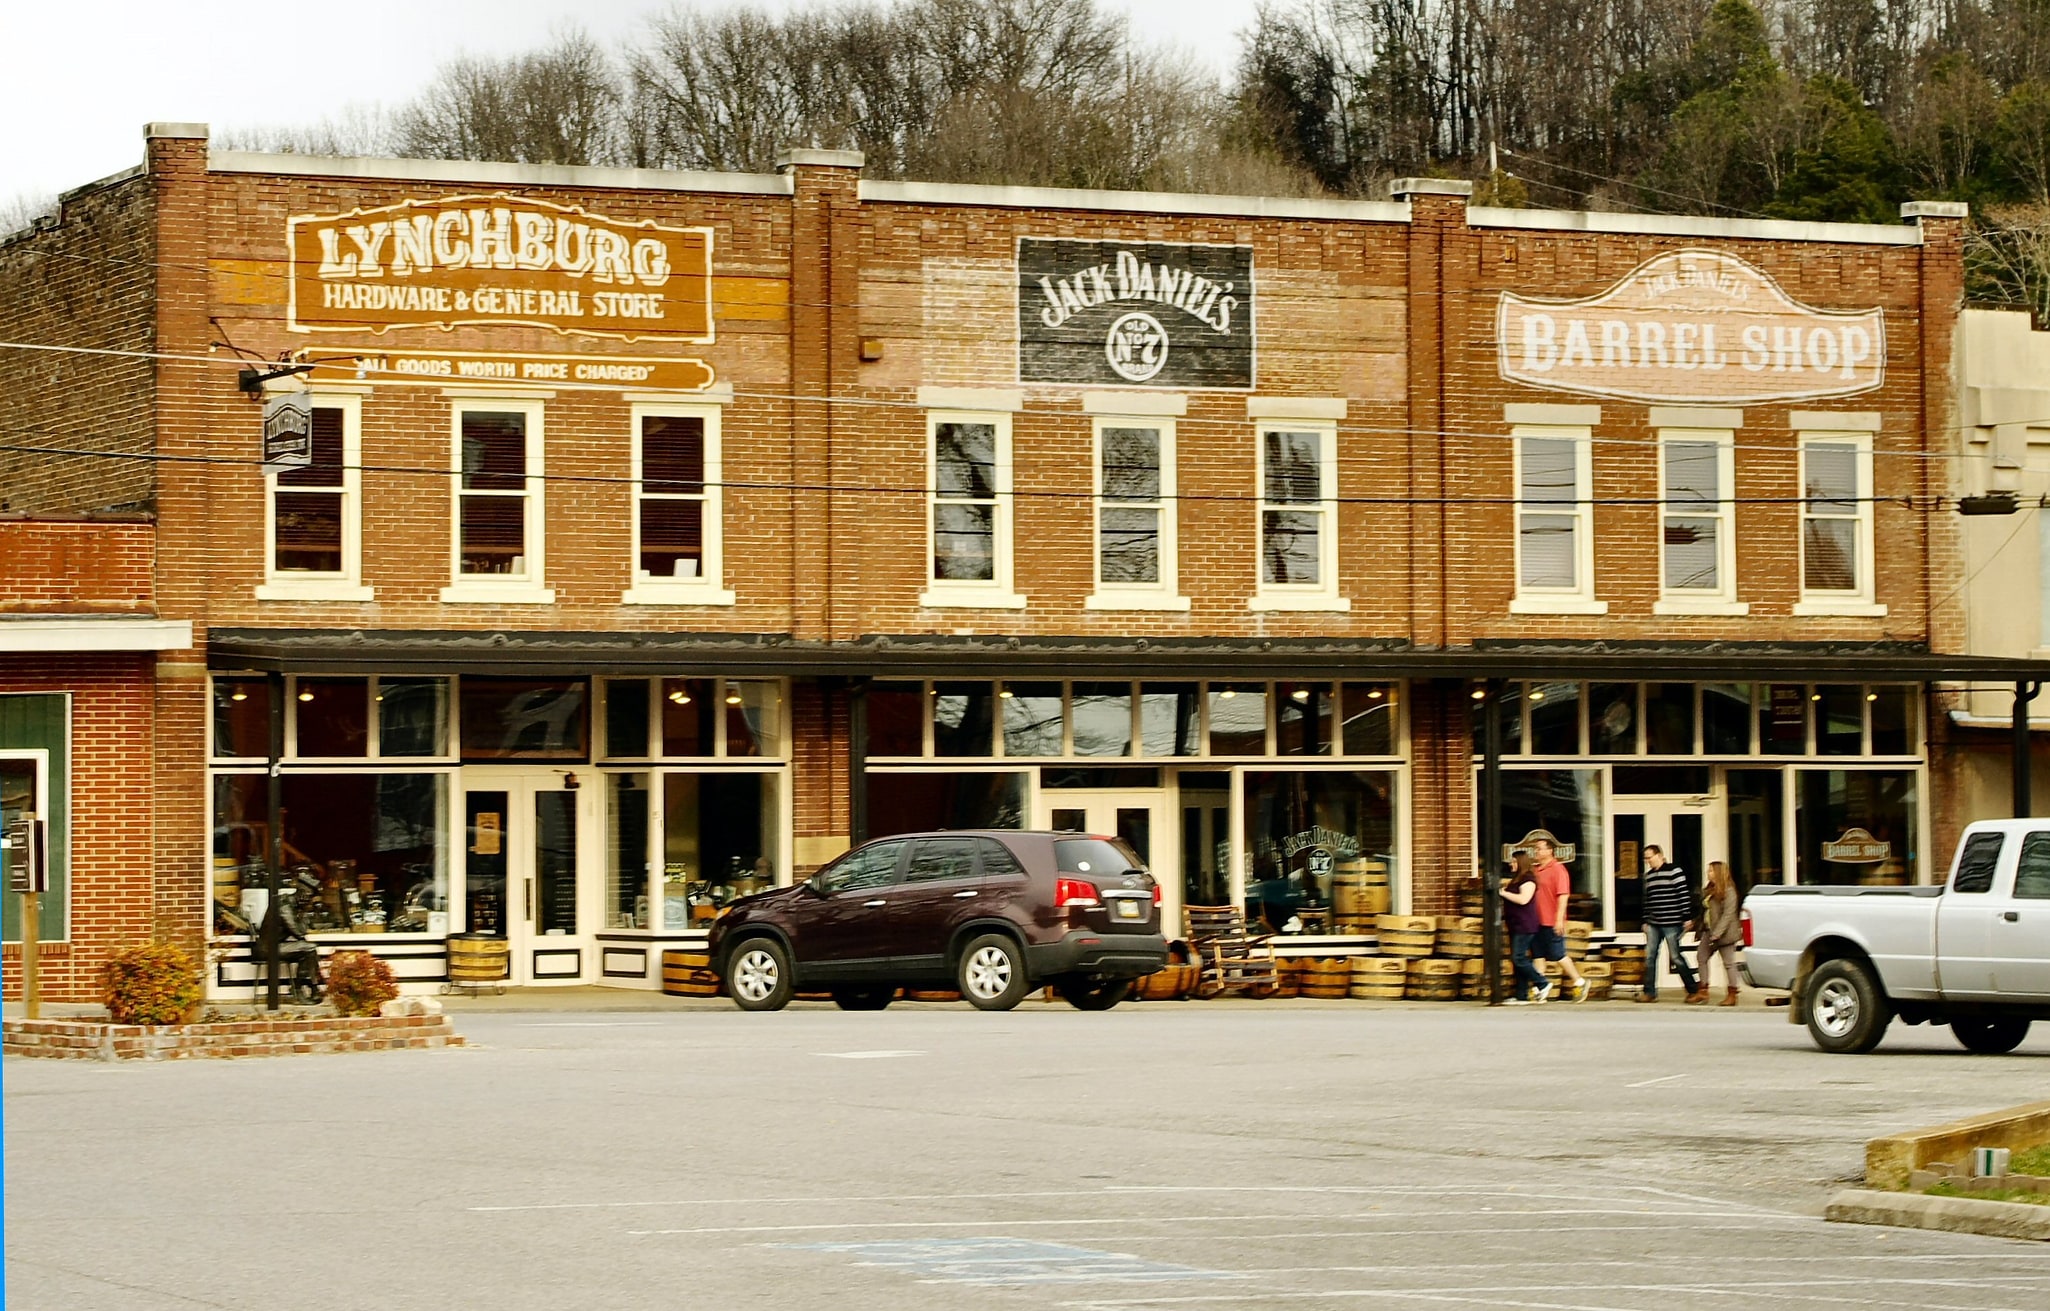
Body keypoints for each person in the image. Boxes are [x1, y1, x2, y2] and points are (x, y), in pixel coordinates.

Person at [1637, 844, 1700, 1004]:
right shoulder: (1648, 876)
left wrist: (1686, 917)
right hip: (1653, 922)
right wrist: (1645, 920)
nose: (1647, 861)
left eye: (1649, 857)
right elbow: (1646, 900)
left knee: (1675, 956)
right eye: (1645, 858)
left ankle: (1693, 990)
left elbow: (1683, 895)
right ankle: (1649, 992)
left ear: (1659, 855)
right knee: (1650, 957)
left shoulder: (1674, 871)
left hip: (1672, 921)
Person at [1530, 838, 1589, 1002]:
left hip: (1551, 919)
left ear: (1550, 851)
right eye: (1535, 849)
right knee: (1538, 954)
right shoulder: (1536, 870)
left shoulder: (1558, 869)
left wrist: (1559, 920)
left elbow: (1563, 895)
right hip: (1537, 920)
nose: (1537, 852)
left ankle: (1579, 981)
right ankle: (1541, 988)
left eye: (1540, 849)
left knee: (1557, 954)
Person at [1499, 852, 1546, 1004]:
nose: (1511, 864)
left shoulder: (1528, 879)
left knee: (1518, 958)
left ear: (1521, 862)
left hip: (1525, 924)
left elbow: (1523, 899)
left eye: (1513, 861)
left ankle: (1542, 982)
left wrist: (1504, 893)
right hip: (1516, 924)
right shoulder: (1517, 879)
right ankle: (1521, 994)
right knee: (1518, 959)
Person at [1695, 860, 1743, 1007]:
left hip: (1725, 934)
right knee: (1701, 957)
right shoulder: (1709, 889)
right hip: (1709, 931)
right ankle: (1703, 991)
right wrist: (1696, 923)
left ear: (1718, 873)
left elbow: (1728, 915)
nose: (1708, 873)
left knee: (1728, 963)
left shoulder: (1729, 891)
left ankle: (1732, 994)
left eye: (1710, 871)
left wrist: (1717, 933)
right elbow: (1706, 911)